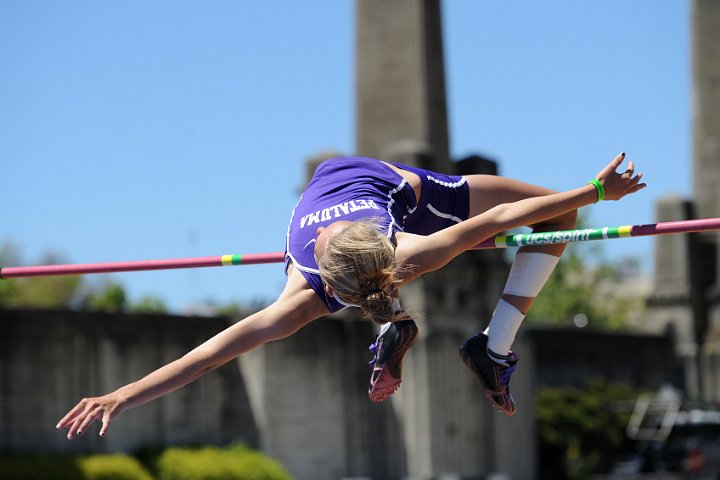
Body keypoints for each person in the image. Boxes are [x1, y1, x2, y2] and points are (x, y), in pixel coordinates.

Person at [57, 153, 645, 439]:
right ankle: (455, 342)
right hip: (358, 194)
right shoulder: (307, 296)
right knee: (561, 212)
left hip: (400, 191)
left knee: (560, 213)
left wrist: (594, 192)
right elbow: (206, 354)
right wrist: (122, 395)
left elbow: (517, 212)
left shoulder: (404, 247)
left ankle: (455, 342)